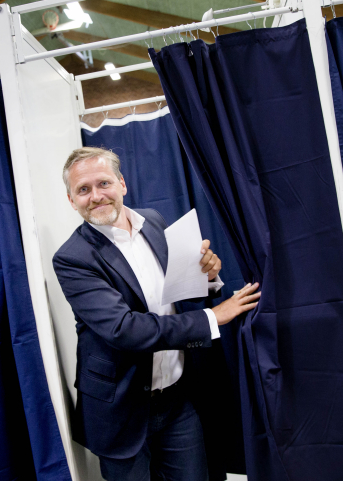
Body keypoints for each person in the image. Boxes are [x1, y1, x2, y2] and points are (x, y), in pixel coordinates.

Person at [53, 147, 261, 481]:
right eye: (83, 189)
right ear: (71, 199)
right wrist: (214, 317)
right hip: (119, 410)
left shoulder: (155, 222)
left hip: (179, 401)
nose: (96, 196)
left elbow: (178, 293)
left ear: (122, 184)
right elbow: (126, 330)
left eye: (103, 183)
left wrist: (207, 277)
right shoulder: (72, 258)